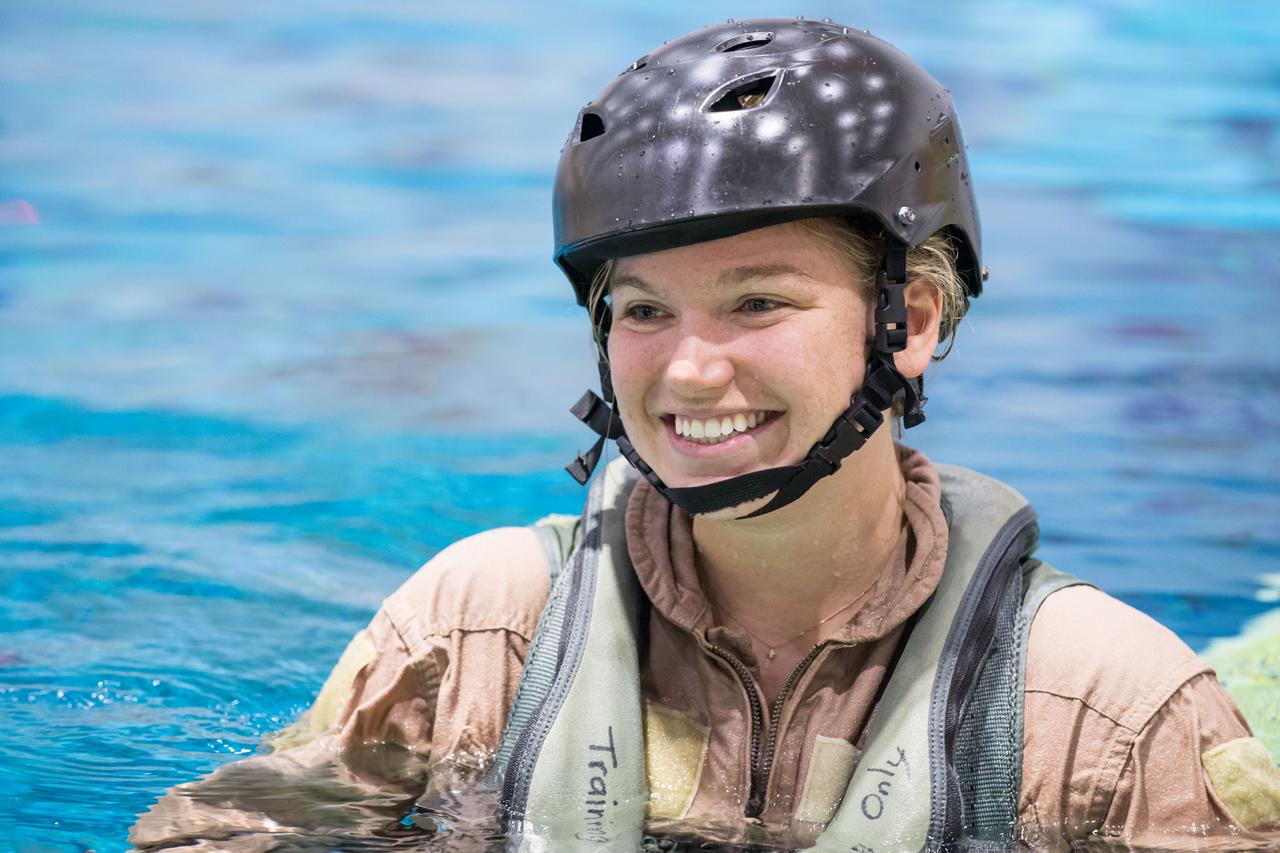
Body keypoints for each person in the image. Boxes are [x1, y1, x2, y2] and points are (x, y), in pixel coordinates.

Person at [131, 17, 1280, 852]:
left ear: (911, 319)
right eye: (641, 310)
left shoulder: (1106, 708)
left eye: (757, 302)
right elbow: (210, 837)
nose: (686, 368)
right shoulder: (479, 628)